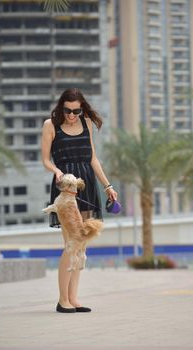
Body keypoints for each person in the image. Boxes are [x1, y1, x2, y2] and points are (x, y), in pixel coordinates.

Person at [41, 88, 117, 313]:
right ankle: (62, 300)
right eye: (68, 110)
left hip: (87, 186)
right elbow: (45, 159)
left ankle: (73, 298)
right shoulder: (50, 125)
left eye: (76, 110)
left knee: (81, 245)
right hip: (67, 189)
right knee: (71, 244)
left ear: (82, 108)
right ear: (61, 107)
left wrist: (108, 186)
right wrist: (55, 170)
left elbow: (92, 158)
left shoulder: (86, 124)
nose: (72, 115)